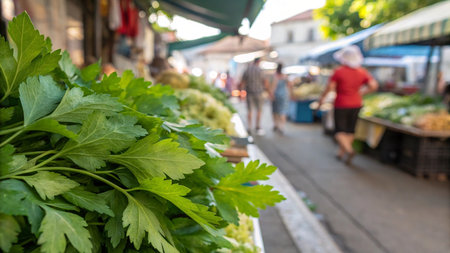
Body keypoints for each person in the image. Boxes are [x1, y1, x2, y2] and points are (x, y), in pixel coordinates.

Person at [318, 45, 378, 165]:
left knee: (339, 131)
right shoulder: (362, 72)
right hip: (356, 103)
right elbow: (374, 86)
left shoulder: (339, 71)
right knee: (350, 130)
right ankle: (341, 152)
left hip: (341, 103)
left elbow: (330, 87)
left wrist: (322, 99)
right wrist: (361, 93)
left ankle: (349, 150)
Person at [240, 57, 266, 135]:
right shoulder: (260, 70)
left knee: (249, 110)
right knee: (259, 110)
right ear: (258, 62)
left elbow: (243, 81)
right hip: (259, 92)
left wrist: (242, 91)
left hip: (249, 92)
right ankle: (257, 126)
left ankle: (249, 127)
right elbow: (265, 81)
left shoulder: (248, 70)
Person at [269, 63, 291, 134]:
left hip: (276, 95)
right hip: (284, 95)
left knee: (275, 111)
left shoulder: (275, 76)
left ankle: (276, 125)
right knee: (282, 111)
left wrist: (271, 95)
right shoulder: (285, 76)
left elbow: (273, 86)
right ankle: (282, 127)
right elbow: (290, 85)